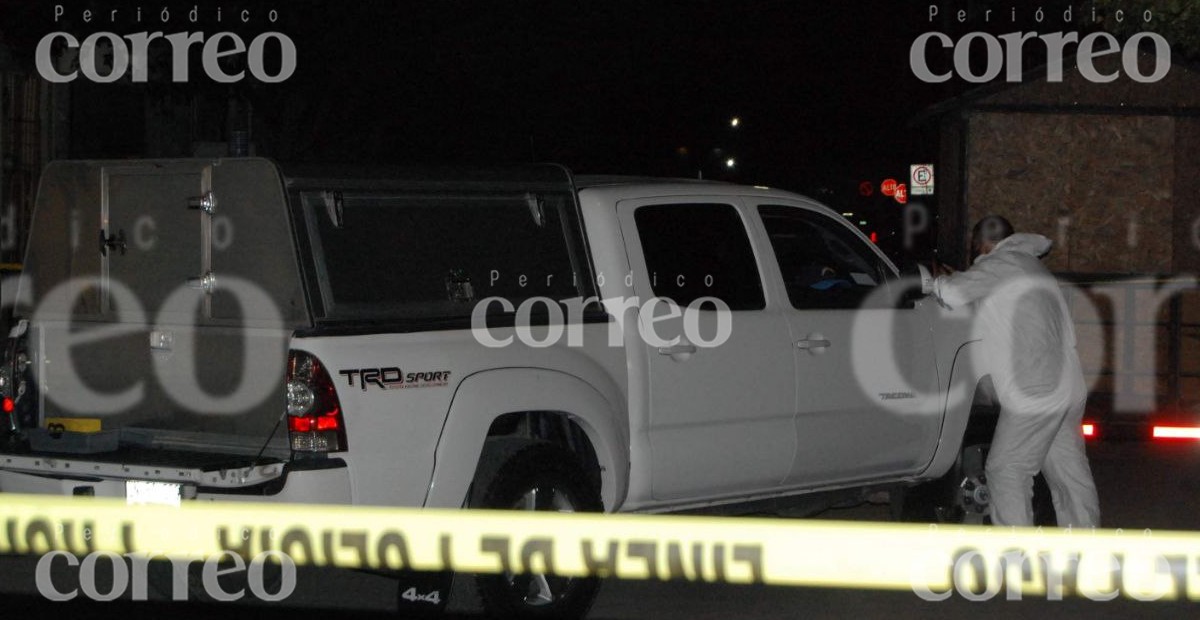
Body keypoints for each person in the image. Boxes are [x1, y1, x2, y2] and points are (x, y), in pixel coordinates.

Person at [933, 215, 1100, 528]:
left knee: (1007, 469)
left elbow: (952, 294)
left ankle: (1015, 561)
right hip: (1068, 383)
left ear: (982, 243)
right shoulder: (1034, 269)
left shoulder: (1000, 264)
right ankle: (1087, 557)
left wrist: (934, 282)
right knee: (1070, 475)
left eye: (974, 247)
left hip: (1037, 388)